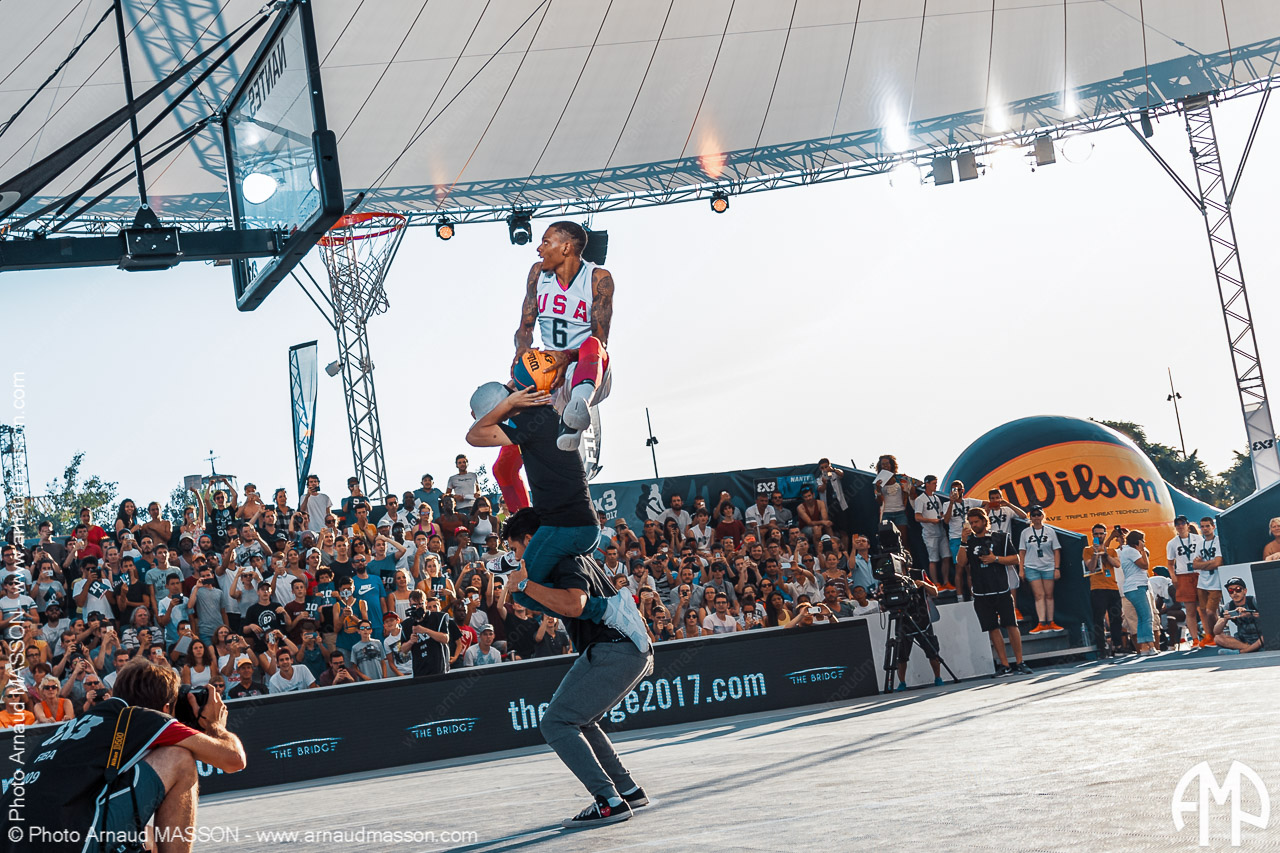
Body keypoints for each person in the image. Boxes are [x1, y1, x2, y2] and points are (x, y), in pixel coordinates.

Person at [0, 659, 246, 853]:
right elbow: (233, 759)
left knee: (147, 832)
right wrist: (215, 725)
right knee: (178, 758)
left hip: (14, 840)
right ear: (165, 708)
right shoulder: (143, 717)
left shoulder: (82, 723)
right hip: (68, 842)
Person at [504, 515, 651, 829]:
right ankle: (628, 790)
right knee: (583, 721)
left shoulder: (563, 560)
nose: (515, 557)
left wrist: (525, 585)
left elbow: (575, 604)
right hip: (629, 650)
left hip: (612, 649)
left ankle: (609, 801)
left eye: (515, 549)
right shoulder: (573, 556)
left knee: (555, 722)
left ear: (530, 541)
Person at [467, 385, 608, 618]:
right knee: (527, 521)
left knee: (521, 592)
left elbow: (473, 436)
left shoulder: (527, 422)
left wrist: (508, 403)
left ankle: (603, 610)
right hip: (573, 525)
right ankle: (522, 554)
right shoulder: (541, 414)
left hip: (567, 528)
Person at [958, 508, 1033, 676]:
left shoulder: (1000, 538)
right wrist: (963, 541)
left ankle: (1020, 662)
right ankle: (1004, 664)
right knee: (992, 628)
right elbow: (961, 563)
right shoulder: (969, 542)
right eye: (971, 522)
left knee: (1011, 625)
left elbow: (1016, 559)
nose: (974, 525)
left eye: (976, 522)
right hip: (981, 592)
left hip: (1001, 588)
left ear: (984, 521)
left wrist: (995, 559)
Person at [1017, 506, 1063, 633]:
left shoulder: (1050, 531)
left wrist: (1057, 568)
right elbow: (1022, 552)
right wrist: (1021, 569)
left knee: (1049, 595)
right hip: (1032, 567)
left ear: (1043, 516)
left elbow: (1056, 550)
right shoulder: (1025, 532)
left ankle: (1051, 621)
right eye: (1034, 515)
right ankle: (1042, 622)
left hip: (1048, 566)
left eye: (1039, 514)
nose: (1036, 517)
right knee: (1038, 595)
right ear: (1030, 517)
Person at [1082, 523, 1124, 658]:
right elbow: (1091, 567)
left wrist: (1105, 554)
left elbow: (1117, 564)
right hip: (1097, 588)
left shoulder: (1111, 551)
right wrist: (1096, 553)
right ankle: (1101, 647)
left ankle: (1118, 646)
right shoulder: (1087, 550)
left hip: (1112, 587)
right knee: (1099, 619)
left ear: (1105, 535)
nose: (1099, 536)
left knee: (1116, 618)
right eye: (1096, 534)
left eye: (1101, 534)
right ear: (1092, 535)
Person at [400, 588, 460, 677]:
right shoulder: (406, 624)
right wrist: (411, 642)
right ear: (410, 605)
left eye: (421, 604)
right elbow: (403, 650)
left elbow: (445, 639)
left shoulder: (439, 617)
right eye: (414, 605)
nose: (418, 607)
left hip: (438, 668)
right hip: (419, 670)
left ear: (426, 603)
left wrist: (425, 630)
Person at [1166, 515, 1205, 645]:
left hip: (1199, 574)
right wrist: (1173, 577)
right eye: (1177, 524)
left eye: (1182, 523)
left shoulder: (1198, 539)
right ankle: (1195, 639)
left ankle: (1209, 635)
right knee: (1190, 610)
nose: (1180, 526)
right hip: (1183, 576)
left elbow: (1205, 554)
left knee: (1204, 608)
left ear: (1187, 525)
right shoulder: (1172, 543)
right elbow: (1170, 563)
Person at [1119, 530, 1157, 656]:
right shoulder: (1132, 551)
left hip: (1132, 588)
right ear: (1138, 541)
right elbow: (1145, 565)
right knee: (1147, 616)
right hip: (1136, 586)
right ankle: (1151, 645)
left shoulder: (1126, 551)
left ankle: (1144, 647)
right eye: (1143, 540)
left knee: (1141, 618)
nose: (1144, 543)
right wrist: (1142, 550)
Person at [912, 475, 953, 590]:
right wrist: (931, 520)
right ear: (927, 484)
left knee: (946, 556)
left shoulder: (936, 498)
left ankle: (946, 581)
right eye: (934, 483)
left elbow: (940, 513)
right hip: (930, 533)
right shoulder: (920, 499)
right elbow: (917, 517)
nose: (935, 485)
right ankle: (935, 583)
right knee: (933, 559)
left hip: (940, 531)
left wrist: (942, 517)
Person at [1193, 517, 1225, 649]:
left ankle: (1217, 634)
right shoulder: (1200, 543)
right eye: (1202, 526)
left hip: (1216, 581)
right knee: (1204, 611)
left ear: (1213, 527)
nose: (1205, 529)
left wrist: (1203, 564)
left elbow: (1218, 562)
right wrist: (1209, 564)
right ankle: (1210, 636)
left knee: (1211, 611)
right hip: (1202, 582)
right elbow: (1195, 565)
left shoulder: (1218, 541)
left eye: (1207, 526)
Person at [1213, 576, 1265, 653]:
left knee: (1270, 633)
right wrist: (1225, 620)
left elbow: (1271, 618)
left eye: (1238, 589)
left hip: (1262, 636)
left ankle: (1242, 652)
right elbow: (1216, 631)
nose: (1235, 593)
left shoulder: (1253, 601)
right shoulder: (1229, 607)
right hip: (1244, 640)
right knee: (1218, 638)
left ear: (1245, 591)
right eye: (1231, 591)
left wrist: (1250, 614)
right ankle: (1251, 649)